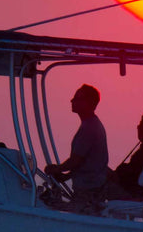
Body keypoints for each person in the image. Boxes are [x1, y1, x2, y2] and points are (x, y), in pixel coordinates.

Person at [43, 83, 108, 213]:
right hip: (90, 189)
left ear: (89, 103)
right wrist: (64, 177)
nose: (72, 101)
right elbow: (83, 163)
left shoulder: (89, 128)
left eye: (77, 98)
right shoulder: (91, 125)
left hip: (88, 191)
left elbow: (76, 160)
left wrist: (56, 168)